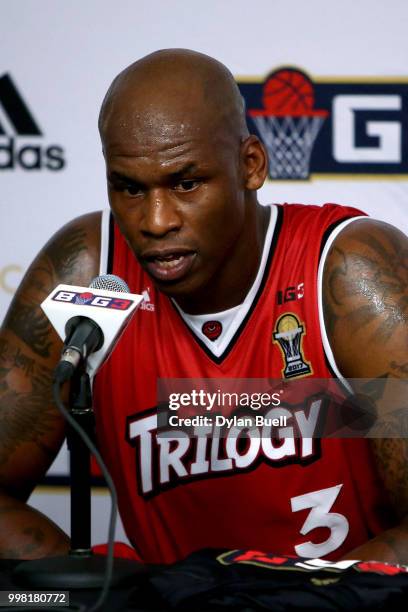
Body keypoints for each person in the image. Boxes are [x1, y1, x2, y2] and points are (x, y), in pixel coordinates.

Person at [0, 49, 407, 565]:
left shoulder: (347, 270)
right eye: (128, 188)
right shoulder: (89, 271)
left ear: (251, 165)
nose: (156, 220)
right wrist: (105, 593)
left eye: (186, 183)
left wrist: (303, 600)